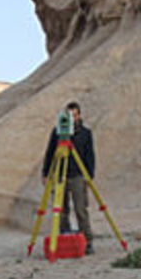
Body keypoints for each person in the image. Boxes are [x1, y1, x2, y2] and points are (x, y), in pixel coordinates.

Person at [41, 101, 96, 254]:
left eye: (74, 115)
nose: (72, 118)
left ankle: (88, 240)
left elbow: (90, 156)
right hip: (59, 175)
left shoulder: (86, 133)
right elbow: (50, 153)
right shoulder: (57, 132)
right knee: (62, 210)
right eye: (69, 115)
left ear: (79, 115)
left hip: (77, 175)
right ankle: (65, 237)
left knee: (80, 209)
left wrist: (89, 176)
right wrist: (46, 173)